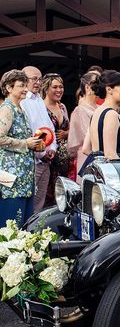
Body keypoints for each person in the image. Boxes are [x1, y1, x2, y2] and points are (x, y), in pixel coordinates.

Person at [0, 70, 43, 224]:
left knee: (23, 224)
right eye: (21, 86)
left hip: (24, 178)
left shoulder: (20, 109)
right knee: (10, 224)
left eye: (26, 85)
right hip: (11, 179)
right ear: (9, 88)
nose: (26, 89)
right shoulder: (7, 109)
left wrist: (34, 144)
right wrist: (26, 144)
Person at [20, 66, 56, 212]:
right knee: (28, 205)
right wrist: (42, 153)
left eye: (40, 79)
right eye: (34, 78)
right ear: (24, 80)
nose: (38, 82)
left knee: (39, 205)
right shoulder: (22, 102)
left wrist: (52, 149)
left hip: (45, 160)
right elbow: (29, 131)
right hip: (32, 160)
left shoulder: (39, 100)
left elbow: (49, 128)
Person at [82, 70, 120, 163]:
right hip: (109, 171)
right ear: (109, 89)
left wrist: (99, 161)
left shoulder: (96, 112)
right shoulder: (111, 114)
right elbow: (110, 155)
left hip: (96, 168)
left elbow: (86, 149)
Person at [41, 74, 70, 207]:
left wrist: (66, 134)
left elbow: (71, 129)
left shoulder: (62, 107)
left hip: (63, 158)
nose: (59, 90)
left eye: (61, 87)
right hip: (48, 156)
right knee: (47, 194)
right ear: (46, 88)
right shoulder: (40, 107)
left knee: (62, 193)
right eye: (55, 87)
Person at [68, 71, 99, 182]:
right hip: (86, 155)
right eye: (96, 83)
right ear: (87, 87)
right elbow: (84, 136)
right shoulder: (79, 110)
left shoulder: (100, 108)